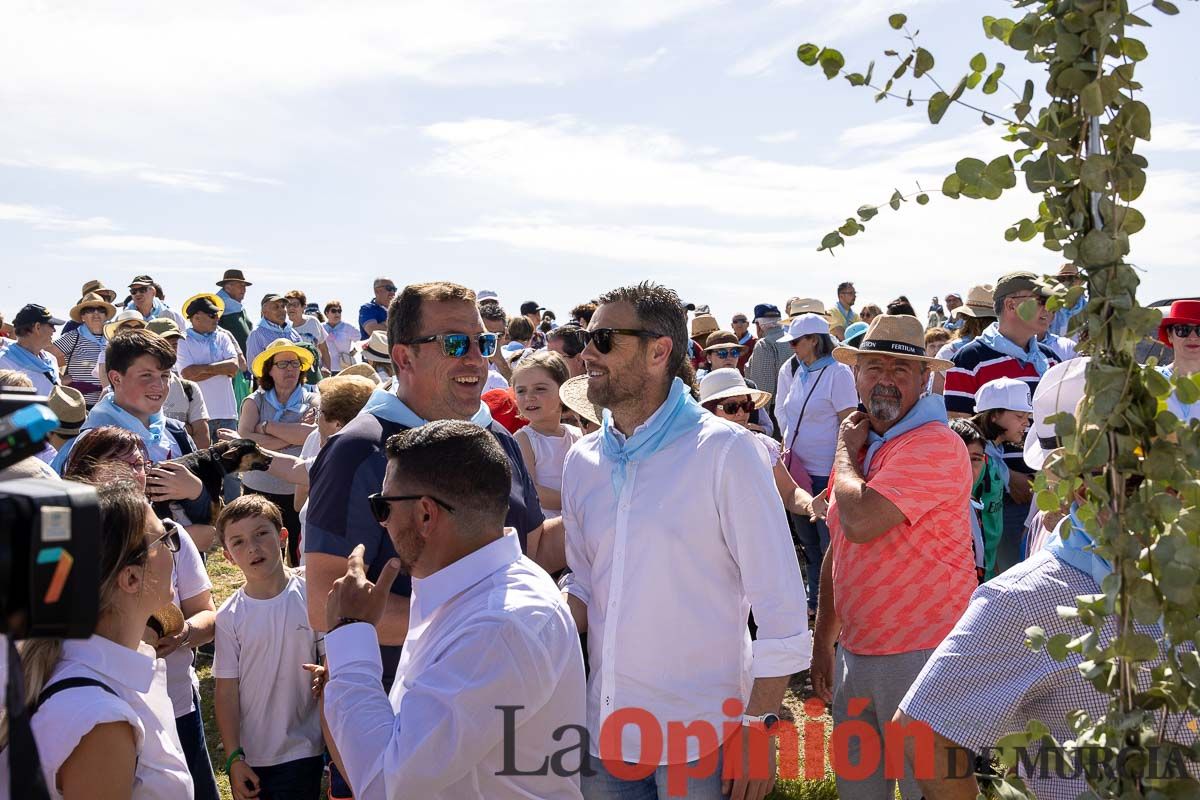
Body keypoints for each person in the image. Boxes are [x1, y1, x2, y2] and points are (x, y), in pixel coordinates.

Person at [896, 357, 1194, 800]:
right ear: (1079, 488)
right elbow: (922, 732)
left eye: (1168, 475)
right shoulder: (1023, 600)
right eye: (1128, 480)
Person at [305, 281, 555, 798]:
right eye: (455, 344)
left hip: (495, 717)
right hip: (384, 716)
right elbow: (321, 601)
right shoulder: (357, 449)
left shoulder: (498, 441)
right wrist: (466, 637)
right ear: (403, 357)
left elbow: (532, 549)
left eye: (484, 345)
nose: (477, 361)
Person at [562, 281, 811, 799]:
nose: (586, 353)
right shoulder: (581, 460)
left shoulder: (727, 452)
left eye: (604, 339)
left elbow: (782, 605)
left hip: (704, 736)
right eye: (585, 338)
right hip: (605, 736)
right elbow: (585, 584)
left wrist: (759, 727)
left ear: (659, 351)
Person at [321, 421, 585, 799]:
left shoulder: (498, 628)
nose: (382, 522)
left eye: (382, 506)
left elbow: (387, 785)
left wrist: (350, 639)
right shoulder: (474, 591)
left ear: (426, 515)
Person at [810, 314, 975, 800]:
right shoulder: (869, 444)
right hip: (861, 652)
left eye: (901, 370)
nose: (885, 379)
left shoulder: (934, 444)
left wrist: (843, 451)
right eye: (874, 366)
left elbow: (859, 521)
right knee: (860, 791)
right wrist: (825, 639)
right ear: (856, 375)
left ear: (924, 380)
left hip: (924, 655)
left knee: (931, 790)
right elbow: (839, 543)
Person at [16, 481, 193, 799]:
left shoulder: (97, 671)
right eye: (166, 537)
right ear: (131, 578)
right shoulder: (100, 719)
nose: (174, 545)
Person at [945, 272, 1059, 571]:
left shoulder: (1051, 360)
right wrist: (1009, 477)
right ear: (1011, 305)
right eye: (1042, 301)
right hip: (996, 500)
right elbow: (958, 433)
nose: (1051, 309)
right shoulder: (969, 359)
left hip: (1048, 497)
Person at [214, 495, 324, 800]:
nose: (252, 547)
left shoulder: (311, 595)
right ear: (227, 556)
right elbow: (226, 691)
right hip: (253, 757)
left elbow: (329, 660)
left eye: (261, 533)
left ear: (283, 536)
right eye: (238, 542)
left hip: (306, 748)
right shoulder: (228, 617)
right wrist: (234, 757)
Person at [774, 313, 857, 618]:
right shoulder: (800, 370)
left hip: (825, 472)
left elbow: (848, 422)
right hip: (798, 470)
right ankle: (816, 603)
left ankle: (834, 610)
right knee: (809, 542)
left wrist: (841, 470)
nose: (792, 347)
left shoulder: (839, 373)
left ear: (813, 340)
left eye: (796, 341)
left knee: (828, 546)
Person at [698, 368, 826, 520]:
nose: (741, 413)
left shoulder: (763, 445)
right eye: (731, 407)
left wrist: (809, 504)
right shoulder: (697, 453)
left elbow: (790, 492)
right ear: (710, 411)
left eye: (746, 406)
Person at [239, 338, 320, 567]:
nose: (291, 369)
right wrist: (291, 435)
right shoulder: (253, 402)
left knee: (297, 553)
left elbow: (311, 435)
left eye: (295, 363)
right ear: (270, 370)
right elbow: (245, 442)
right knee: (260, 550)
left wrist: (266, 428)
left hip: (296, 492)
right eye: (283, 364)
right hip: (259, 488)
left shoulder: (313, 399)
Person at [969, 378, 1033, 577]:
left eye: (1028, 416)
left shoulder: (995, 453)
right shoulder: (975, 455)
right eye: (1020, 415)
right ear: (994, 415)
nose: (1026, 422)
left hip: (987, 562)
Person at [512, 350, 581, 516]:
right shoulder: (524, 439)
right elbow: (531, 491)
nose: (529, 397)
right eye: (521, 391)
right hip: (547, 530)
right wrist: (578, 503)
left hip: (580, 525)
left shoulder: (576, 434)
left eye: (540, 389)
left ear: (562, 391)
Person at [174, 293, 240, 446]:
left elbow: (234, 367)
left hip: (227, 413)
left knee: (230, 466)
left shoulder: (223, 337)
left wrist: (202, 370)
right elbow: (188, 375)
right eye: (212, 315)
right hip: (199, 416)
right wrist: (220, 369)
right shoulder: (183, 340)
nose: (217, 318)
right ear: (196, 317)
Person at [146, 319, 213, 451]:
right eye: (163, 345)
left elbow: (203, 440)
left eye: (174, 345)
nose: (170, 350)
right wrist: (186, 429)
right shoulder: (128, 389)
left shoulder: (189, 389)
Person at [51, 292, 115, 407]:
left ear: (105, 315)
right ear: (82, 317)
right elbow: (44, 356)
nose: (96, 313)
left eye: (101, 309)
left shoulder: (113, 338)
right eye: (90, 310)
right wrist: (59, 379)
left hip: (109, 403)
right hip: (78, 405)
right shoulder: (74, 336)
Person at [949, 418, 990, 582]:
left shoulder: (974, 504)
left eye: (975, 459)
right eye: (959, 456)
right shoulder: (936, 513)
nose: (967, 466)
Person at [0, 303, 66, 393]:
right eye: (51, 325)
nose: (54, 330)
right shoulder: (4, 362)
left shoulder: (51, 359)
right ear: (37, 327)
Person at [1157, 299, 1200, 425]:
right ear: (1169, 335)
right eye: (1183, 330)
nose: (1193, 337)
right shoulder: (1151, 381)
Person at [745, 302, 790, 420]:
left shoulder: (765, 344)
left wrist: (760, 420)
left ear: (759, 325)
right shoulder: (792, 339)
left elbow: (763, 388)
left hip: (774, 413)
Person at [245, 293, 303, 367]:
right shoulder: (257, 334)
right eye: (276, 307)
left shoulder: (293, 333)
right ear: (264, 311)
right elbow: (253, 366)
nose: (281, 310)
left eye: (283, 306)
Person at [285, 289, 333, 375]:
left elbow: (324, 350)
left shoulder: (313, 322)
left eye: (295, 305)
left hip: (314, 374)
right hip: (292, 375)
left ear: (303, 307)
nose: (291, 308)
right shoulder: (283, 327)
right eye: (288, 305)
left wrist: (327, 369)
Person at [479, 302, 514, 386]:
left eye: (499, 335)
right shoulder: (468, 358)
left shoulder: (514, 359)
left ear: (505, 333)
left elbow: (517, 389)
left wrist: (500, 362)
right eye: (488, 335)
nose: (494, 340)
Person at [1048, 262, 1087, 338]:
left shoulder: (1089, 308)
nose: (1066, 282)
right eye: (1062, 279)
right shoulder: (1048, 308)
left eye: (1071, 278)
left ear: (1079, 282)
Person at [323, 300, 359, 371]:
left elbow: (362, 342)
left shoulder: (348, 327)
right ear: (326, 313)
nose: (337, 313)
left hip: (344, 368)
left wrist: (352, 353)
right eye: (333, 311)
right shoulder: (321, 327)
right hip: (325, 369)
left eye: (339, 311)